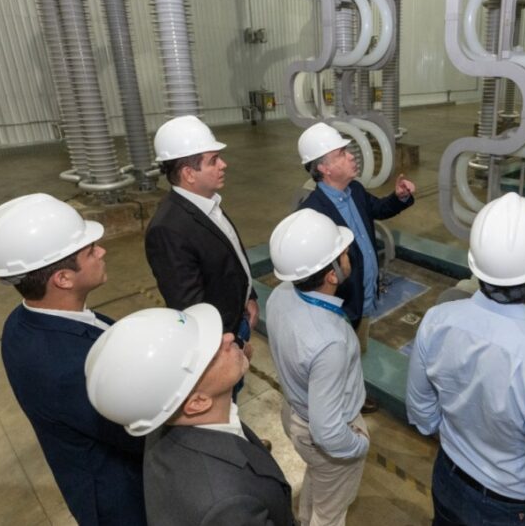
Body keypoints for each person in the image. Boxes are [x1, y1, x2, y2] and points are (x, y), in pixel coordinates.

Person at [407, 192, 525, 526]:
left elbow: (422, 414)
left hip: (447, 479)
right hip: (508, 510)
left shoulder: (437, 320)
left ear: (476, 266)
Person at [0, 193, 145, 526]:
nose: (103, 251)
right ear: (63, 279)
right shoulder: (68, 369)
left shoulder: (22, 321)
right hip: (124, 501)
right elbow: (138, 434)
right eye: (90, 250)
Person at [85, 303, 296, 526]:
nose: (228, 337)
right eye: (213, 355)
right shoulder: (227, 506)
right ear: (197, 402)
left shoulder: (166, 414)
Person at [297, 122, 415, 412]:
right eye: (342, 153)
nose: (352, 156)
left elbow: (378, 209)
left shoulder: (356, 191)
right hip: (341, 306)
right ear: (323, 168)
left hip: (364, 298)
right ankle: (341, 406)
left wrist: (399, 196)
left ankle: (353, 395)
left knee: (356, 352)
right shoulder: (312, 213)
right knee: (336, 360)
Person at [266, 209, 369, 526]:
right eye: (342, 252)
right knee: (330, 514)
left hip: (295, 412)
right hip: (322, 430)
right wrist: (357, 445)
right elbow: (327, 430)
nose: (348, 254)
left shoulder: (280, 294)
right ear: (333, 274)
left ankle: (303, 517)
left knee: (318, 484)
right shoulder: (329, 342)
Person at [145, 115, 258, 396]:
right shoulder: (168, 229)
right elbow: (190, 307)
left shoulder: (208, 203)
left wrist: (250, 296)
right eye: (213, 160)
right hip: (221, 342)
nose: (224, 164)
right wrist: (229, 347)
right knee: (223, 400)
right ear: (188, 173)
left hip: (237, 321)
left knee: (235, 393)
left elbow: (231, 259)